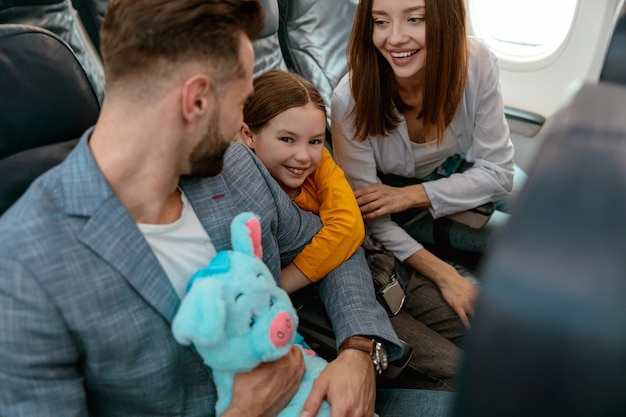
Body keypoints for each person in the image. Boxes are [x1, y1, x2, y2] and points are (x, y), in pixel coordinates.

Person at [0, 0, 455, 416]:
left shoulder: (233, 167)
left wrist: (358, 349)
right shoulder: (24, 269)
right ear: (196, 100)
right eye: (240, 104)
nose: (243, 126)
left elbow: (334, 243)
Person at [331, 0, 524, 390]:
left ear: (445, 20)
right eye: (380, 22)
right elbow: (373, 216)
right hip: (397, 204)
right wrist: (446, 275)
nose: (395, 37)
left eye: (414, 19)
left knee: (549, 219)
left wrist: (415, 194)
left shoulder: (477, 62)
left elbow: (498, 172)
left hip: (457, 176)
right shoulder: (349, 100)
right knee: (521, 240)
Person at [238, 69, 364, 294]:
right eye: (287, 139)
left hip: (327, 272)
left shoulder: (322, 162)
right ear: (248, 135)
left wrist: (281, 284)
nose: (304, 156)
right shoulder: (242, 174)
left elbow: (349, 226)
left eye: (315, 141)